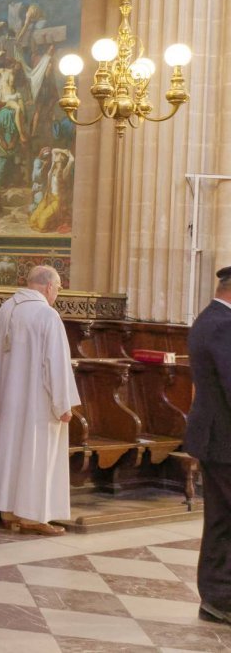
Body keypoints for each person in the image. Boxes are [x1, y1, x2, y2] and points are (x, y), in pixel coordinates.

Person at [0, 264, 80, 535]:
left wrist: (7, 382)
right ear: (47, 286)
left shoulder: (6, 309)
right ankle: (33, 516)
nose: (57, 293)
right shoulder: (47, 315)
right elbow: (55, 364)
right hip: (37, 403)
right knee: (35, 455)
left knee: (10, 452)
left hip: (7, 398)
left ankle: (8, 511)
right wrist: (63, 404)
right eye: (57, 288)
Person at [185, 264, 231, 625]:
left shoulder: (209, 319)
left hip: (217, 439)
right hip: (225, 440)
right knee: (221, 520)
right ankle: (219, 597)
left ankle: (217, 599)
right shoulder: (223, 323)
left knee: (220, 520)